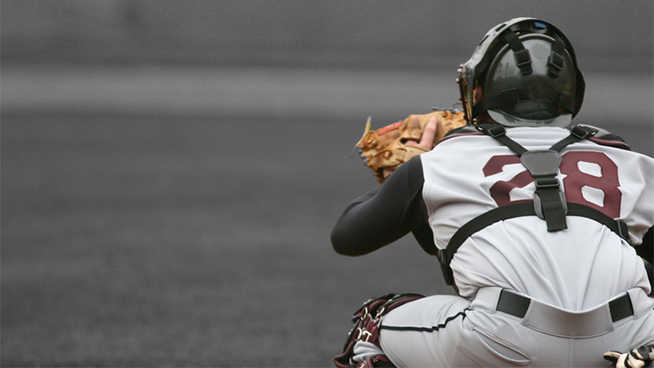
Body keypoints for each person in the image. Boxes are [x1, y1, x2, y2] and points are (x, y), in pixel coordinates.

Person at [331, 17, 654, 368]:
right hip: (632, 337)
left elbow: (348, 237)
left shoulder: (442, 160)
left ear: (477, 91)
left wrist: (404, 178)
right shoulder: (627, 160)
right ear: (574, 93)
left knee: (372, 322)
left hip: (501, 338)